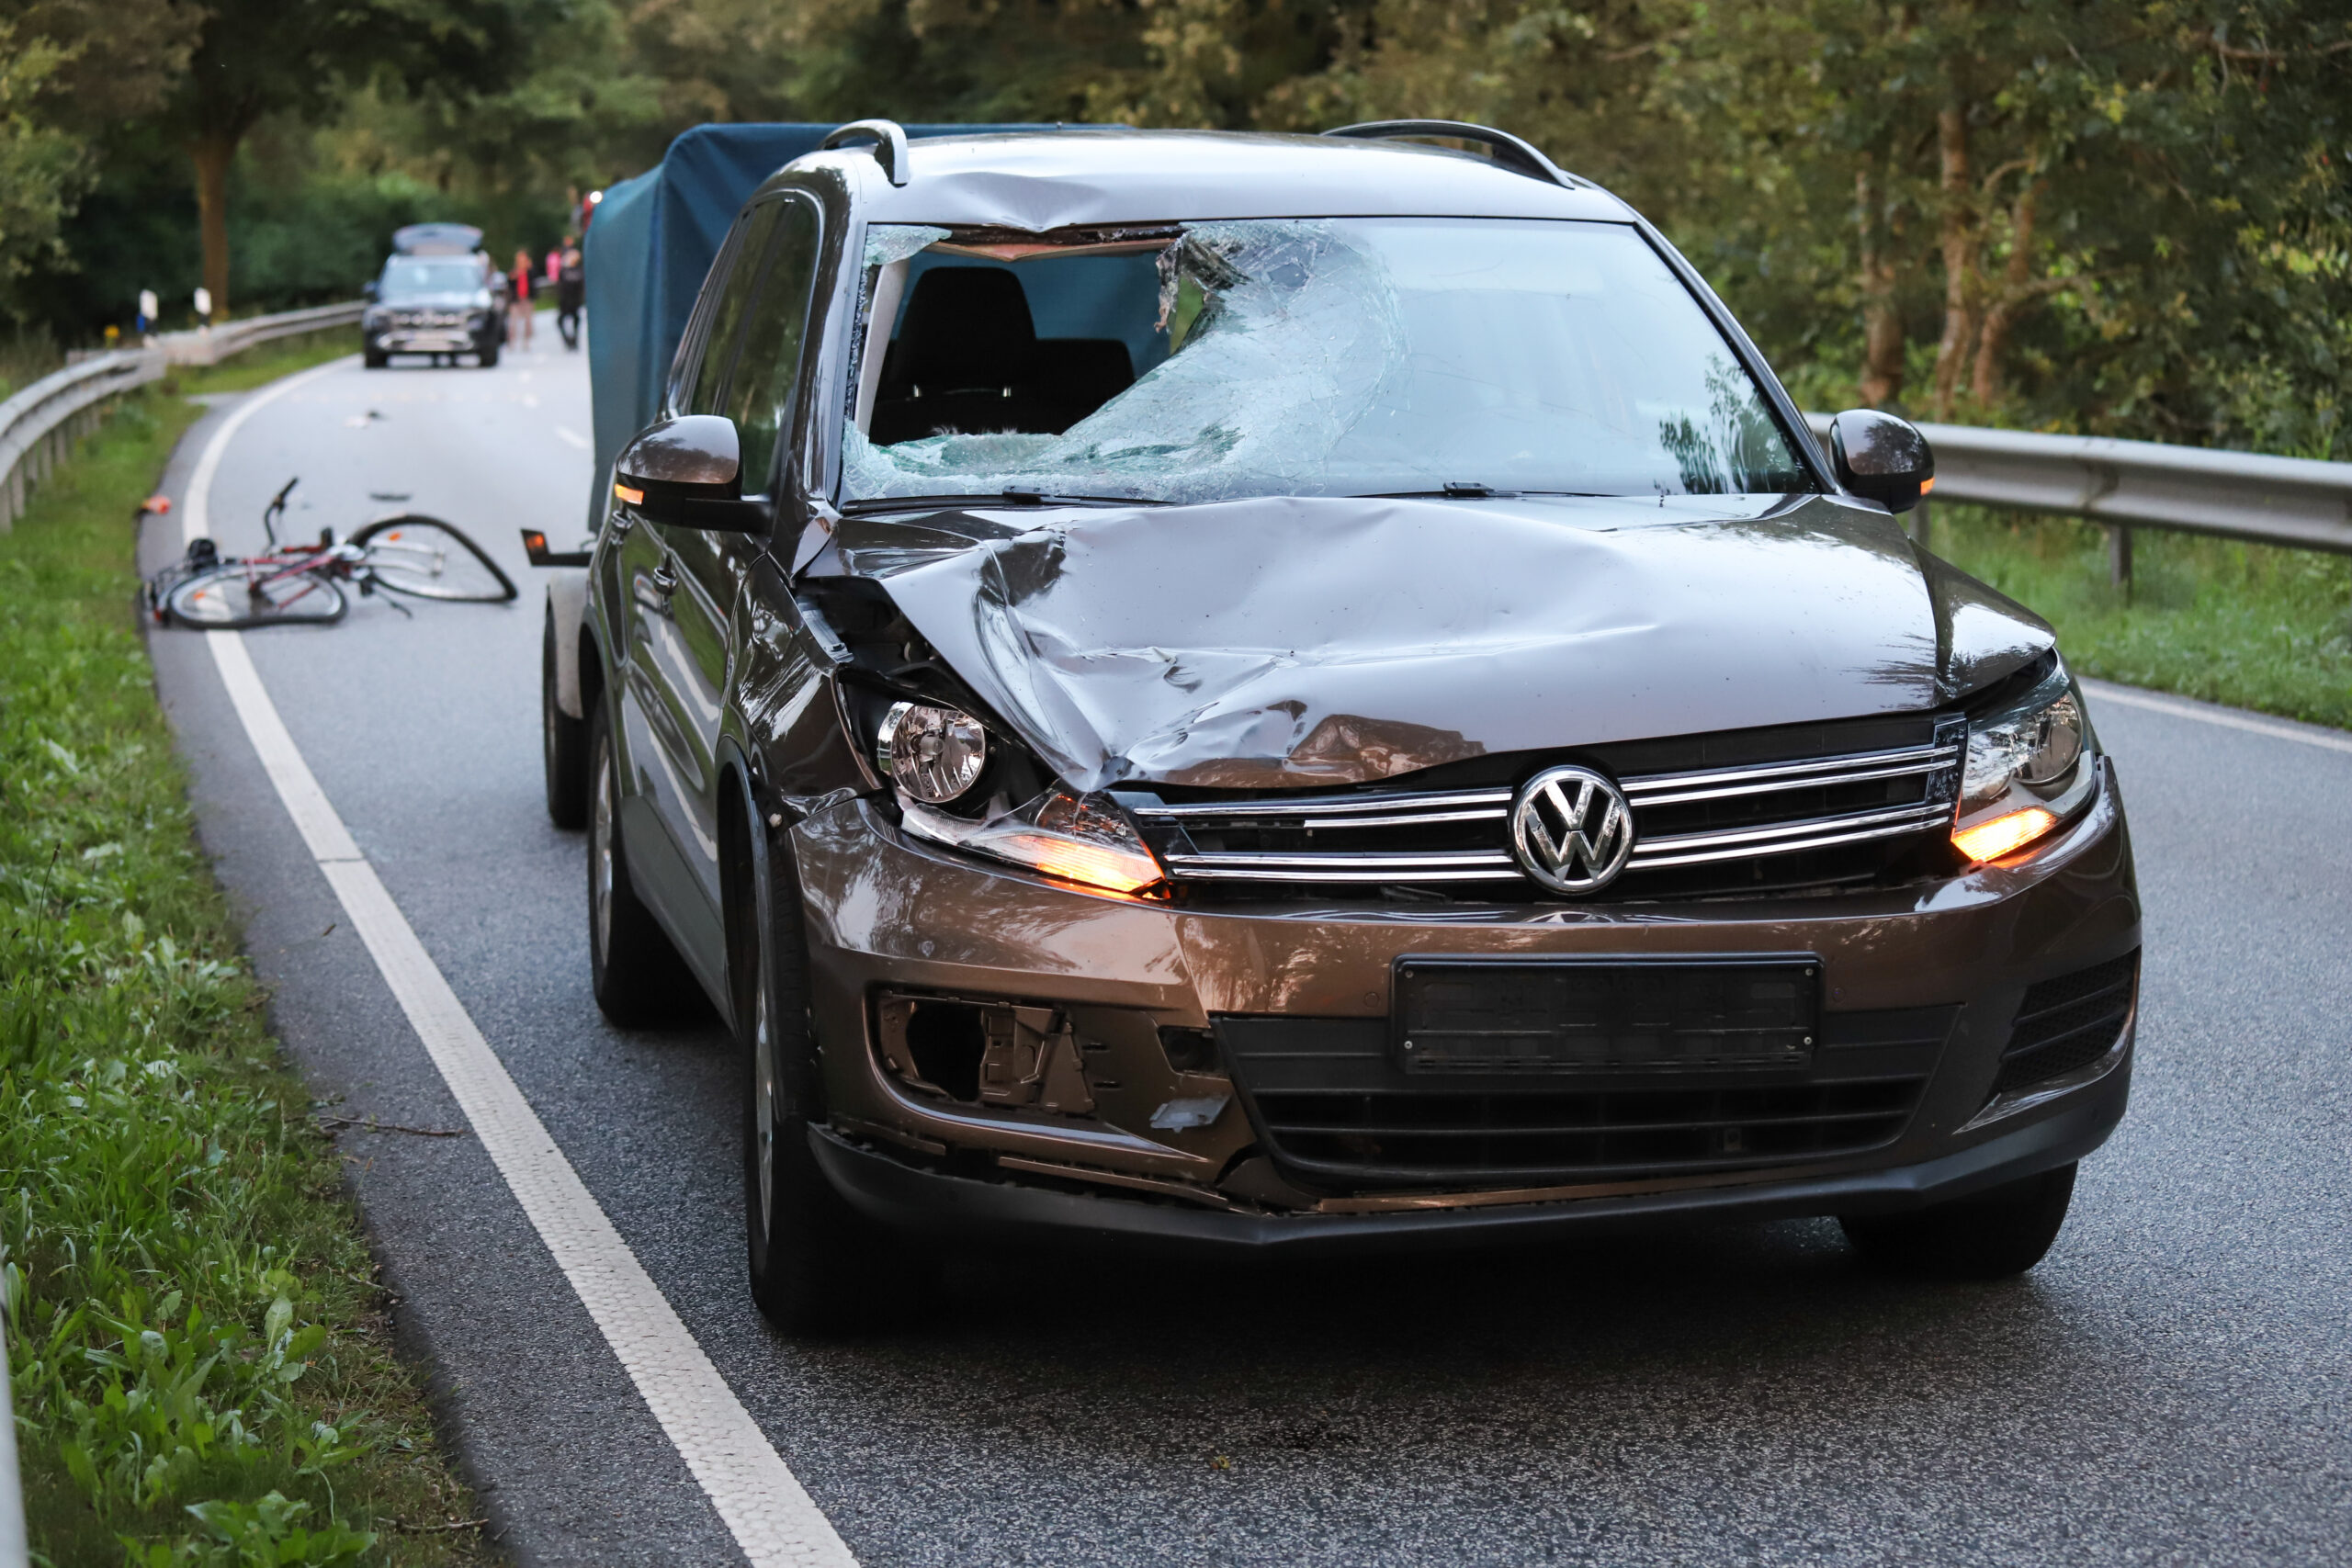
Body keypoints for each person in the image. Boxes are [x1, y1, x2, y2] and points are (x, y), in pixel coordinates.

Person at [556, 235, 584, 351]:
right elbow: (560, 287)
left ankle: (574, 339)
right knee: (561, 321)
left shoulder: (578, 270)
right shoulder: (564, 271)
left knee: (575, 321)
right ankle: (568, 340)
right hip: (565, 301)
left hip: (574, 301)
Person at [508, 248, 535, 348]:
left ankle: (526, 341)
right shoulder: (514, 271)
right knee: (513, 323)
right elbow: (510, 284)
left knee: (528, 322)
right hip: (516, 299)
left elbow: (533, 281)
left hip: (527, 299)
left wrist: (529, 269)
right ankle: (512, 342)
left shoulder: (529, 271)